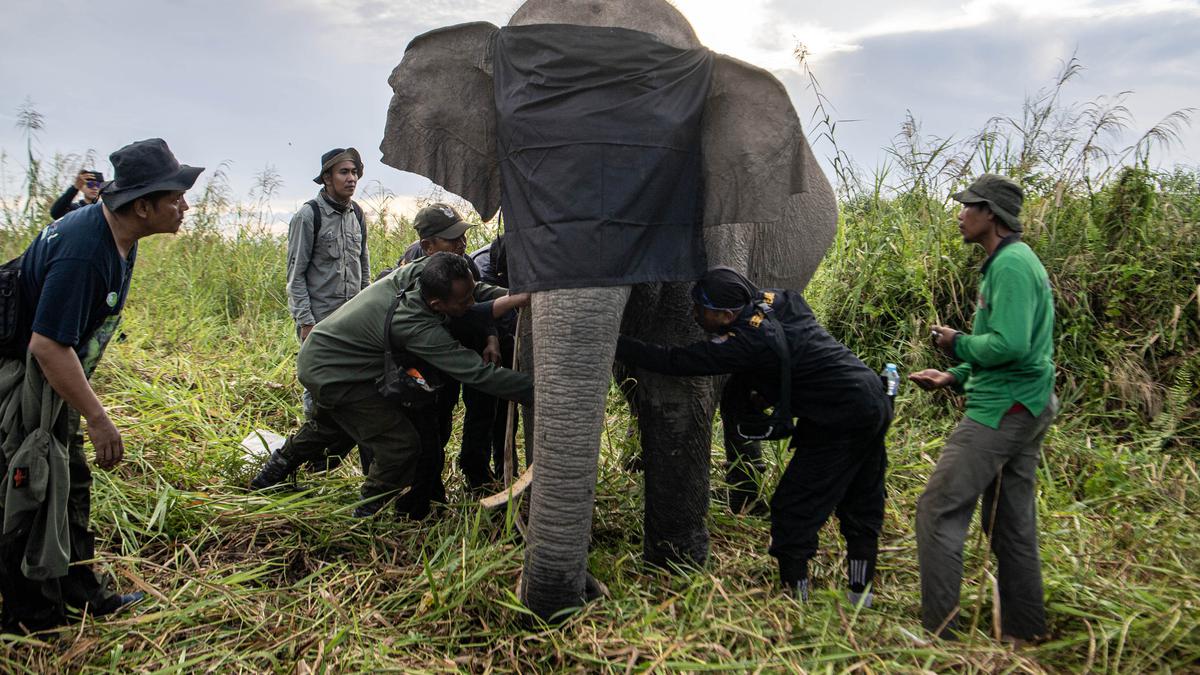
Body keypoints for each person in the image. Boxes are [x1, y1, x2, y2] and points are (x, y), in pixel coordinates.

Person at [0, 138, 203, 633]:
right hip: (23, 374)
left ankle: (80, 593)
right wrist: (98, 416)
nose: (184, 206)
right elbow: (48, 346)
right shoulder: (85, 253)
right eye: (175, 197)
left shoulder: (116, 236)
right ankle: (31, 617)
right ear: (142, 206)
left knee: (70, 483)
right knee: (30, 486)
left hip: (46, 375)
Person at [615, 267, 893, 605]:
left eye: (700, 310)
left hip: (839, 417)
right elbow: (788, 339)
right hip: (873, 397)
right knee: (862, 501)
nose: (694, 315)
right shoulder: (779, 300)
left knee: (792, 509)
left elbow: (675, 361)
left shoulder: (745, 344)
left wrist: (615, 343)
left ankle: (796, 601)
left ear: (726, 315)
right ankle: (861, 599)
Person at [250, 252, 532, 519]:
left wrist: (509, 297)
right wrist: (541, 391)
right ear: (436, 305)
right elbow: (479, 374)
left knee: (330, 427)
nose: (471, 302)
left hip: (326, 351)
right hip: (334, 374)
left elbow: (475, 291)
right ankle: (366, 514)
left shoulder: (425, 270)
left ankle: (268, 476)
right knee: (399, 444)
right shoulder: (414, 325)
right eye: (463, 301)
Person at [909, 174, 1057, 642]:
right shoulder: (1008, 262)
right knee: (1009, 522)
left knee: (938, 509)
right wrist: (956, 375)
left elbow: (1011, 344)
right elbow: (1019, 346)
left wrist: (958, 344)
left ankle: (941, 634)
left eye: (968, 206)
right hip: (1025, 400)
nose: (960, 214)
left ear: (990, 214)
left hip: (1002, 411)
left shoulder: (1011, 266)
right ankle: (1024, 630)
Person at [283, 148, 370, 474]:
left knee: (354, 386)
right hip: (320, 323)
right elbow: (296, 277)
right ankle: (313, 462)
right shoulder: (309, 216)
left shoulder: (357, 214)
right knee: (318, 393)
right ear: (327, 177)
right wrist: (306, 322)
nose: (351, 179)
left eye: (355, 173)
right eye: (344, 172)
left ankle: (334, 457)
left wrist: (365, 312)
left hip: (351, 321)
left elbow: (364, 269)